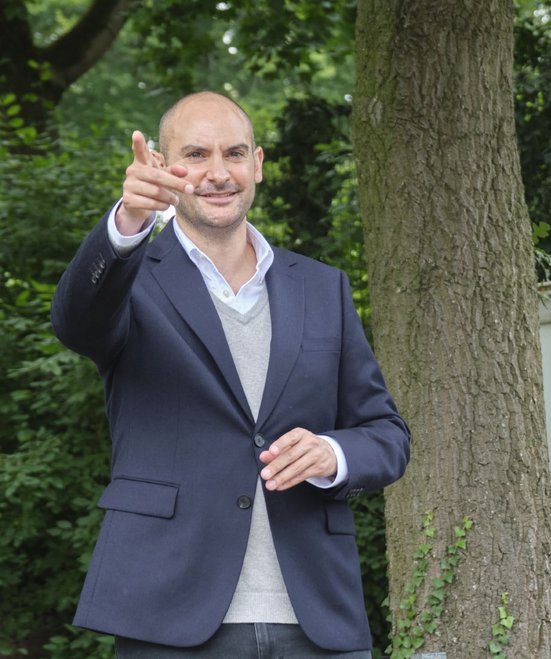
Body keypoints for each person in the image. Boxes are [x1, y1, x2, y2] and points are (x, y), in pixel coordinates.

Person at [51, 91, 411, 657]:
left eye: (234, 154)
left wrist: (332, 454)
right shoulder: (128, 277)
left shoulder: (322, 288)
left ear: (259, 164)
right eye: (195, 154)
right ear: (163, 167)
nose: (218, 173)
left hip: (317, 618)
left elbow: (387, 435)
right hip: (168, 616)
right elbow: (75, 322)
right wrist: (127, 224)